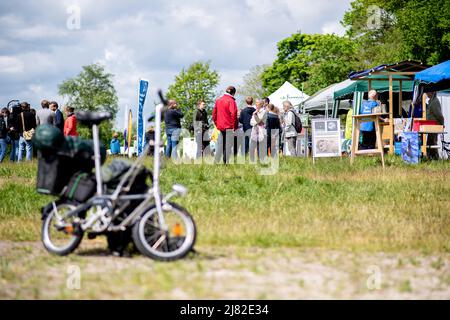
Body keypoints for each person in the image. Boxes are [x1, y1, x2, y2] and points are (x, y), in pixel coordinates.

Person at [212, 86, 238, 164]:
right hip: (229, 126)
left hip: (221, 126)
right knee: (228, 145)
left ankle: (216, 162)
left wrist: (217, 124)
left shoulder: (218, 100)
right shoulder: (231, 101)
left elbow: (214, 115)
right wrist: (234, 126)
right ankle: (225, 163)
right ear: (233, 93)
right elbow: (233, 114)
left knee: (220, 145)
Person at [426, 91, 445, 159]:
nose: (426, 93)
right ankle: (431, 158)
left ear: (432, 92)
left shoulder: (435, 102)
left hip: (434, 126)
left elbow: (439, 115)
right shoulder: (431, 101)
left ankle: (435, 158)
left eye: (427, 92)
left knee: (432, 143)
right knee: (430, 143)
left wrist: (442, 124)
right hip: (431, 126)